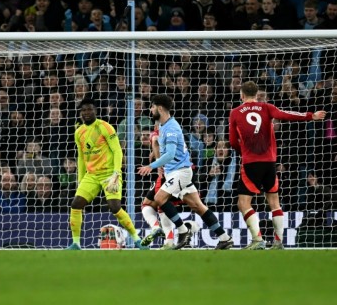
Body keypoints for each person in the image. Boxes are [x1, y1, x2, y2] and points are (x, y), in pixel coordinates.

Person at [229, 81, 326, 250]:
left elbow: (231, 141)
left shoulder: (235, 113)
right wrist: (311, 115)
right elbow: (287, 115)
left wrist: (242, 151)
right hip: (270, 163)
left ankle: (258, 240)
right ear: (257, 94)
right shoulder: (267, 107)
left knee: (243, 203)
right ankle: (278, 241)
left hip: (251, 163)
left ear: (242, 95)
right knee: (274, 202)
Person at [138, 94, 233, 250]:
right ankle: (225, 238)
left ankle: (183, 230)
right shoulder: (163, 126)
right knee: (198, 206)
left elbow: (169, 154)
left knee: (159, 198)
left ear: (160, 108)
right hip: (175, 173)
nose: (151, 109)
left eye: (153, 106)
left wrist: (152, 166)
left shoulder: (171, 128)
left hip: (180, 172)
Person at [66, 98, 147, 250]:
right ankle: (76, 243)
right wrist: (80, 179)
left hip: (110, 173)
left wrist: (116, 173)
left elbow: (117, 150)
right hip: (91, 175)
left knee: (115, 207)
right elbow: (81, 157)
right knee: (76, 204)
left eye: (89, 109)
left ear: (95, 111)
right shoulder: (79, 132)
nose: (86, 112)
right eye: (83, 110)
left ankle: (137, 239)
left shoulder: (105, 127)